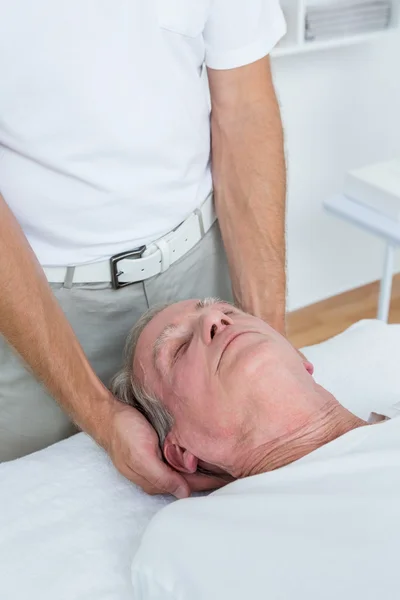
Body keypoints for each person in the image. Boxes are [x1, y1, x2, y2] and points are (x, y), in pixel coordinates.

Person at [0, 1, 287, 498]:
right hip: (35, 298)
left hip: (203, 264)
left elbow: (244, 108)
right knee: (35, 507)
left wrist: (268, 343)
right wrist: (98, 414)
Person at [112, 298, 400, 599]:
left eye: (228, 312)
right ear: (183, 451)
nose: (215, 319)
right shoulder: (191, 538)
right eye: (180, 348)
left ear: (301, 359)